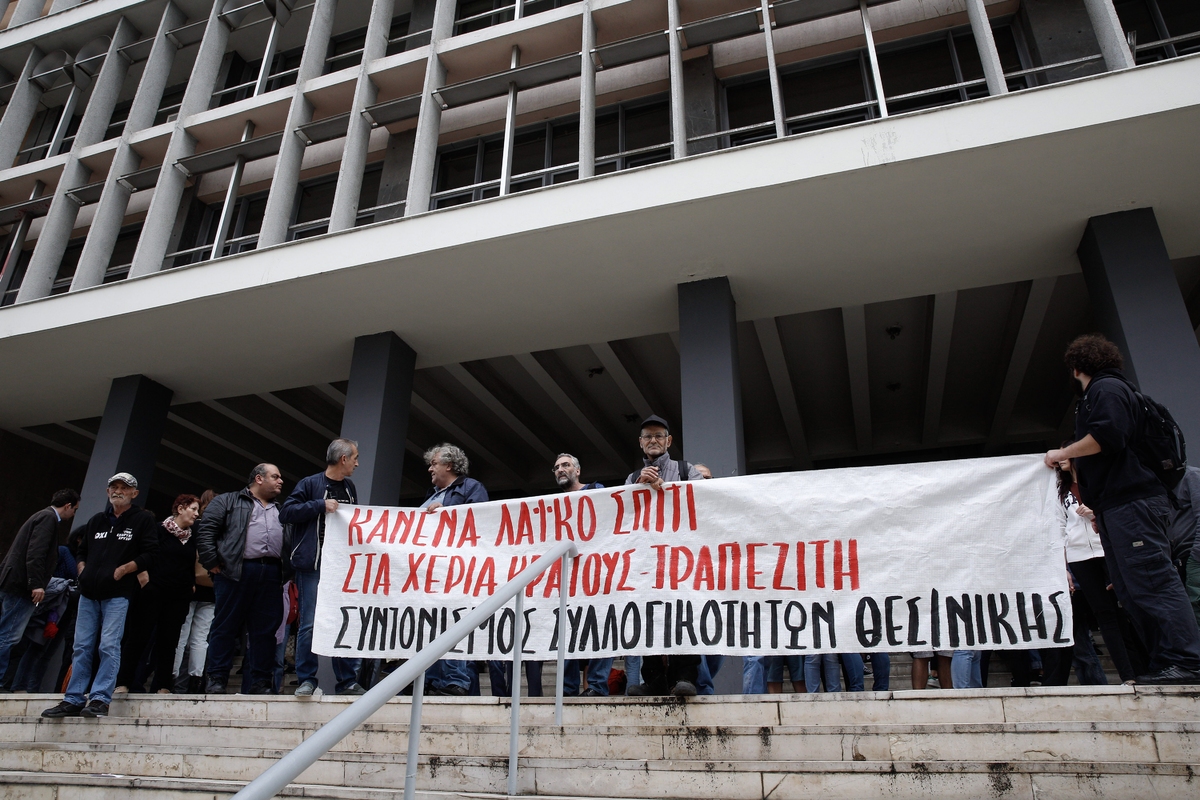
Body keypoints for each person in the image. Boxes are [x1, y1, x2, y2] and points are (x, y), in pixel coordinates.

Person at [1044, 334, 1200, 684]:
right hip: (1117, 506)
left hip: (1131, 503)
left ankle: (1188, 660)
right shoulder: (1109, 391)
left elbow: (1108, 435)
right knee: (1133, 589)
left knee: (1152, 580)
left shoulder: (1106, 389)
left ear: (1076, 367)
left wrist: (1063, 453)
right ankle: (1166, 662)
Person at [42, 474, 157, 718]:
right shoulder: (96, 521)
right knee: (81, 646)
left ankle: (100, 699)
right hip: (88, 593)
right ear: (107, 492)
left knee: (108, 645)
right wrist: (82, 569)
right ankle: (73, 699)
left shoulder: (143, 520)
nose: (118, 491)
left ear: (134, 493)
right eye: (114, 487)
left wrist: (125, 569)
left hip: (118, 594)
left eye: (124, 488)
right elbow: (81, 551)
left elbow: (151, 554)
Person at [279, 438, 365, 697]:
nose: (357, 464)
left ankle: (347, 681)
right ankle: (307, 680)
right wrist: (319, 505)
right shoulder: (310, 484)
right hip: (313, 566)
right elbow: (286, 512)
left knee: (344, 619)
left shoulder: (349, 487)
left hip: (341, 567)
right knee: (309, 623)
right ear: (343, 459)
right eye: (355, 458)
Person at [625, 415, 702, 697]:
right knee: (649, 617)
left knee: (683, 614)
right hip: (648, 561)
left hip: (683, 560)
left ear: (669, 441)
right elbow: (625, 517)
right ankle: (654, 679)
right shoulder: (632, 478)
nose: (653, 440)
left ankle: (684, 677)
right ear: (641, 443)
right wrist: (637, 489)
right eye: (648, 436)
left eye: (659, 435)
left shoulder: (686, 470)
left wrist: (663, 489)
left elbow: (702, 503)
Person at [196, 464, 290, 694]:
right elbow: (206, 531)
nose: (281, 481)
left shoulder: (282, 510)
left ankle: (260, 682)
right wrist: (212, 562)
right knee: (225, 626)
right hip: (235, 571)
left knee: (265, 631)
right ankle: (216, 678)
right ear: (259, 478)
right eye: (275, 476)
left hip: (271, 573)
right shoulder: (228, 501)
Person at [1050, 453, 1138, 683]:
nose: (1061, 458)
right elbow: (1059, 527)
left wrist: (1095, 513)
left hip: (1107, 550)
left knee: (1127, 610)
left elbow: (1119, 509)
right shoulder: (1060, 490)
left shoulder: (1097, 480)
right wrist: (1063, 566)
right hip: (1078, 556)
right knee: (1104, 614)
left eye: (1065, 453)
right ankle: (1128, 675)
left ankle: (1142, 669)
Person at [115, 494, 200, 694]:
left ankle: (162, 685)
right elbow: (140, 552)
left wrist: (190, 585)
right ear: (180, 508)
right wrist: (144, 577)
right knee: (138, 637)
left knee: (169, 641)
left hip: (178, 596)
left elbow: (191, 564)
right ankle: (123, 682)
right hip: (153, 591)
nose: (197, 514)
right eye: (193, 509)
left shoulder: (193, 537)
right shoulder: (157, 529)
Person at [422, 444, 488, 696]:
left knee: (454, 621)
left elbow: (481, 522)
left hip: (458, 570)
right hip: (433, 572)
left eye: (434, 463)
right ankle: (434, 680)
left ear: (449, 465)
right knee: (433, 624)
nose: (430, 469)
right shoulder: (431, 494)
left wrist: (448, 513)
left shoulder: (471, 488)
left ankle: (455, 680)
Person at [0, 489, 79, 689]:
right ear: (68, 505)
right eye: (74, 509)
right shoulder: (48, 519)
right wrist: (36, 584)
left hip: (13, 582)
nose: (73, 514)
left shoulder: (41, 516)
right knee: (8, 635)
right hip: (21, 587)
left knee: (7, 633)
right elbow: (36, 553)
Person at [550, 453, 611, 697]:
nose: (560, 469)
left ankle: (596, 685)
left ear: (577, 470)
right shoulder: (552, 505)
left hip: (597, 574)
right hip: (567, 579)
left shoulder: (597, 491)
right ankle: (566, 690)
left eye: (565, 465)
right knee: (565, 630)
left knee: (601, 628)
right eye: (556, 467)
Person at [174, 490, 216, 693]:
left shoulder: (195, 528)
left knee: (181, 636)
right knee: (200, 638)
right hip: (212, 591)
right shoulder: (221, 530)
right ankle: (196, 681)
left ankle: (173, 678)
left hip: (190, 588)